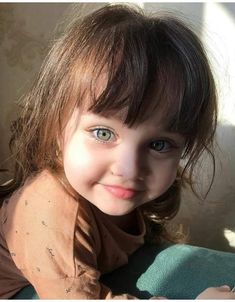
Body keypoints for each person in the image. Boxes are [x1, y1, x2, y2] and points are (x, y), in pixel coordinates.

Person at [0, 4, 234, 299]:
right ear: (57, 129)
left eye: (158, 144)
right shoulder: (50, 209)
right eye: (103, 133)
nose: (129, 168)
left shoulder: (118, 195)